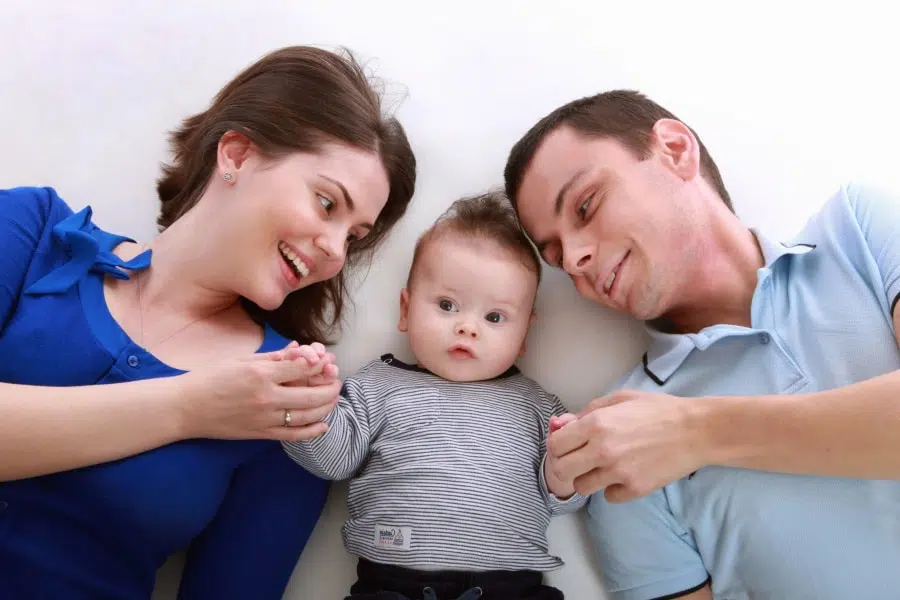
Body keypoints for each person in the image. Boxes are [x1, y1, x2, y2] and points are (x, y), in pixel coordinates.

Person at [0, 45, 416, 600]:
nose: (335, 250)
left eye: (354, 237)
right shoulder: (29, 231)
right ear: (237, 155)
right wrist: (190, 407)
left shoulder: (286, 395)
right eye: (326, 204)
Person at [502, 89, 900, 599]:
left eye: (585, 205)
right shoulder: (619, 443)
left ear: (674, 149)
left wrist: (694, 433)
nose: (575, 257)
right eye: (556, 255)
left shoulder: (860, 230)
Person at [282, 191, 587, 600]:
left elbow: (564, 502)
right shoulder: (377, 385)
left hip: (511, 589)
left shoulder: (538, 407)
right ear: (406, 311)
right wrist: (305, 404)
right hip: (391, 586)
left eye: (494, 317)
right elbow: (335, 461)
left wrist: (565, 475)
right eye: (446, 305)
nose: (467, 327)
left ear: (524, 335)